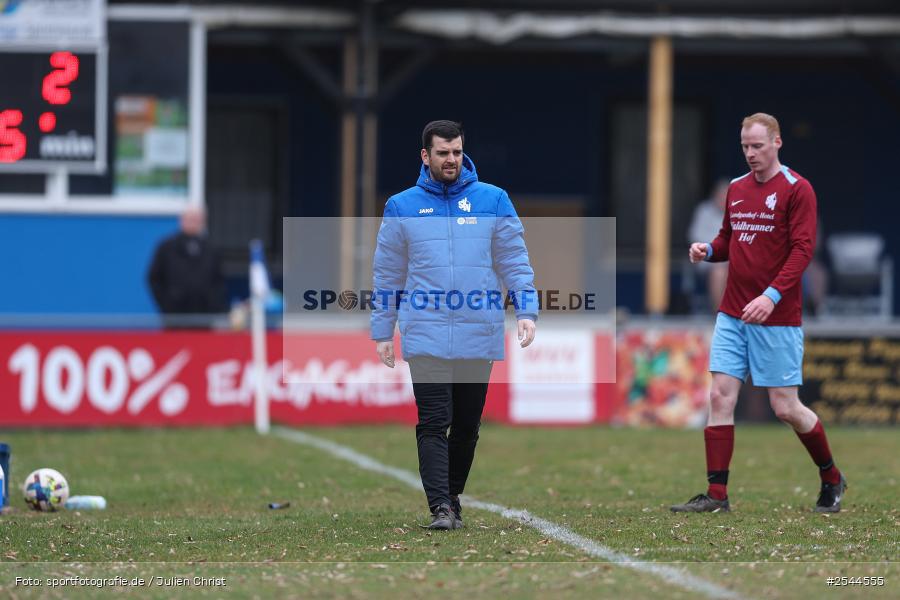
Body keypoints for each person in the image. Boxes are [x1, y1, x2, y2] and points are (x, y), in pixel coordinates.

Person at [673, 113, 846, 513]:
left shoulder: (798, 189)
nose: (750, 154)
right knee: (720, 395)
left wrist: (770, 296)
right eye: (745, 147)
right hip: (733, 312)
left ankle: (831, 476)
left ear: (777, 143)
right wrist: (709, 251)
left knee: (785, 407)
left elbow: (803, 250)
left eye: (758, 146)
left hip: (777, 316)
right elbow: (729, 240)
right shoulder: (735, 189)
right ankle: (717, 496)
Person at [371, 120, 538, 529]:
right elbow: (387, 273)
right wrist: (382, 330)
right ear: (425, 156)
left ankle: (453, 496)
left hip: (477, 328)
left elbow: (514, 260)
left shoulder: (493, 200)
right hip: (424, 329)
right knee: (433, 420)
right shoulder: (401, 206)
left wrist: (527, 309)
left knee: (466, 427)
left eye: (457, 152)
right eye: (443, 152)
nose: (451, 160)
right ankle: (441, 508)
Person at [147, 205, 227, 327]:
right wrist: (167, 304)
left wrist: (213, 304)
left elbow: (219, 281)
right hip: (174, 319)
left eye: (197, 219)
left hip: (204, 319)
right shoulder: (166, 247)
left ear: (203, 222)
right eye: (190, 219)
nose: (193, 223)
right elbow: (154, 279)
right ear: (182, 220)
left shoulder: (212, 249)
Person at [687, 179, 730, 312]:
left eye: (727, 195)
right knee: (719, 271)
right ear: (715, 195)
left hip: (734, 257)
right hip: (709, 257)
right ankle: (721, 314)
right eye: (721, 195)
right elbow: (695, 236)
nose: (723, 199)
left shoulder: (739, 210)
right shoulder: (704, 211)